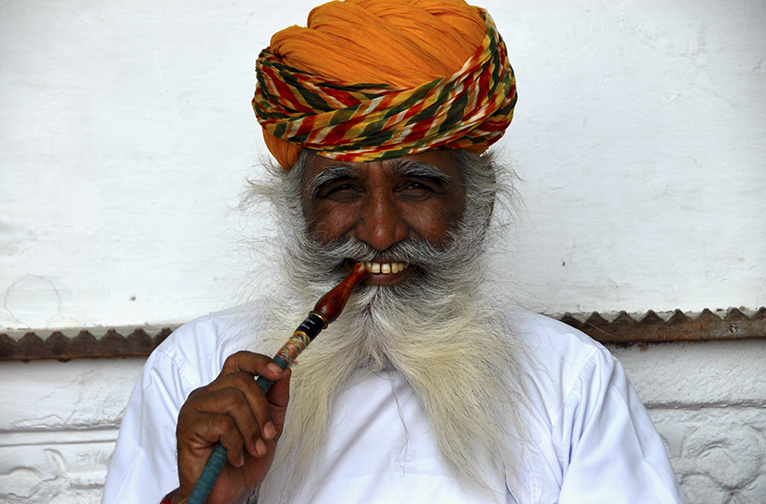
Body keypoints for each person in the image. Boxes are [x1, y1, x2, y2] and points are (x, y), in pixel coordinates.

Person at [102, 1, 687, 503]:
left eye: (416, 186)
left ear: (478, 212)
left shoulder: (570, 381)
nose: (380, 234)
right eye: (341, 189)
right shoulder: (193, 373)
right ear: (297, 213)